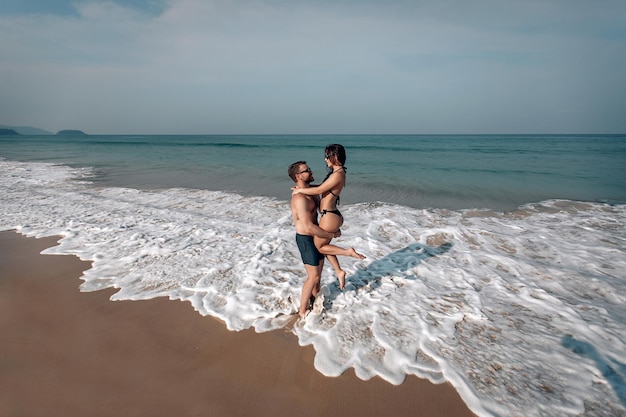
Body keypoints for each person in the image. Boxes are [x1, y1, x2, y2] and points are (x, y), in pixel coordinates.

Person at [291, 144, 365, 290]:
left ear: (335, 156)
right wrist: (303, 189)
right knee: (325, 247)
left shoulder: (338, 174)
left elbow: (319, 189)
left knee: (320, 247)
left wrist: (300, 190)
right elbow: (323, 186)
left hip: (329, 216)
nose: (325, 160)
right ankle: (339, 271)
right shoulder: (336, 173)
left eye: (327, 156)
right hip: (331, 215)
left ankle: (347, 252)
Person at [288, 160, 341, 318]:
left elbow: (324, 188)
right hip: (306, 238)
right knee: (313, 276)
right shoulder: (299, 199)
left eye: (309, 169)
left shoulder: (311, 190)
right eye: (306, 170)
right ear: (298, 176)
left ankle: (316, 300)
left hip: (316, 237)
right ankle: (302, 311)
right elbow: (309, 226)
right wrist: (332, 235)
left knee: (318, 275)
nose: (310, 172)